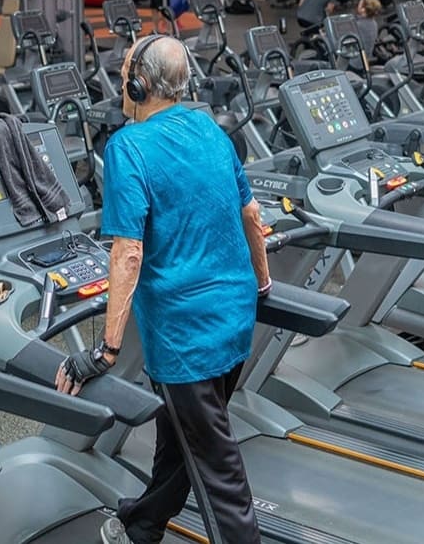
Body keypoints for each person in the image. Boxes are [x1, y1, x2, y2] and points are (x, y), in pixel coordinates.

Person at [56, 33, 270, 544]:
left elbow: (127, 252)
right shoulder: (210, 129)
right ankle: (145, 522)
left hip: (184, 337)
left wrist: (106, 352)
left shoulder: (128, 146)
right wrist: (261, 285)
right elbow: (251, 214)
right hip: (234, 321)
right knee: (181, 438)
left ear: (139, 83)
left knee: (218, 473)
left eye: (125, 71)